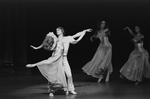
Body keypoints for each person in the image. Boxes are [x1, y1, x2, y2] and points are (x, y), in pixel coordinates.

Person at [26, 27, 92, 96]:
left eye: (58, 30)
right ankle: (52, 90)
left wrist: (84, 31)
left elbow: (76, 35)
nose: (57, 31)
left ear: (62, 31)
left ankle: (71, 89)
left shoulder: (67, 38)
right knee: (54, 74)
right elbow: (45, 42)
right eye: (56, 30)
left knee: (69, 75)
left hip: (64, 59)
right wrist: (37, 47)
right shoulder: (56, 39)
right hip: (56, 58)